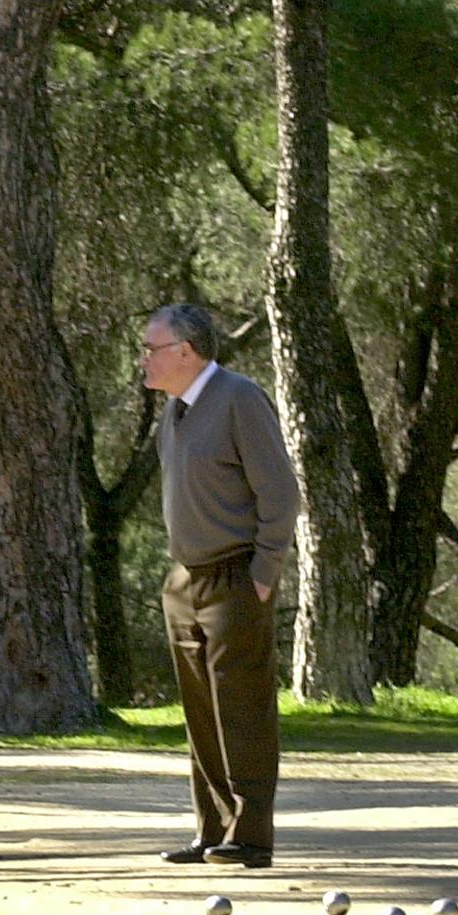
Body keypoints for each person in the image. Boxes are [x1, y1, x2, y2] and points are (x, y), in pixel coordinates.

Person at [142, 303, 299, 870]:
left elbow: (280, 493)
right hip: (185, 579)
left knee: (242, 706)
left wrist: (263, 574)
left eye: (150, 348)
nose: (144, 359)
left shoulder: (238, 398)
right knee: (201, 711)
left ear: (185, 351)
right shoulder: (174, 411)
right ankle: (211, 830)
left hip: (235, 574)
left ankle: (251, 837)